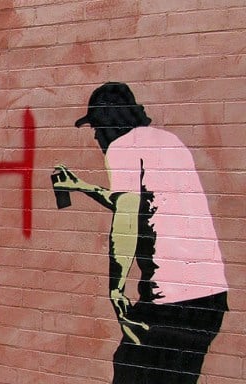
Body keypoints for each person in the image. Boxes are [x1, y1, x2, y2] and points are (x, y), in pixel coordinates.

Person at [53, 82, 229, 383]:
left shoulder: (124, 147)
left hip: (172, 299)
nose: (95, 135)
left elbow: (127, 218)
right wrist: (82, 187)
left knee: (130, 368)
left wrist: (115, 291)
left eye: (96, 126)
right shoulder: (166, 142)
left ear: (110, 122)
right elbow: (141, 204)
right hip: (209, 298)